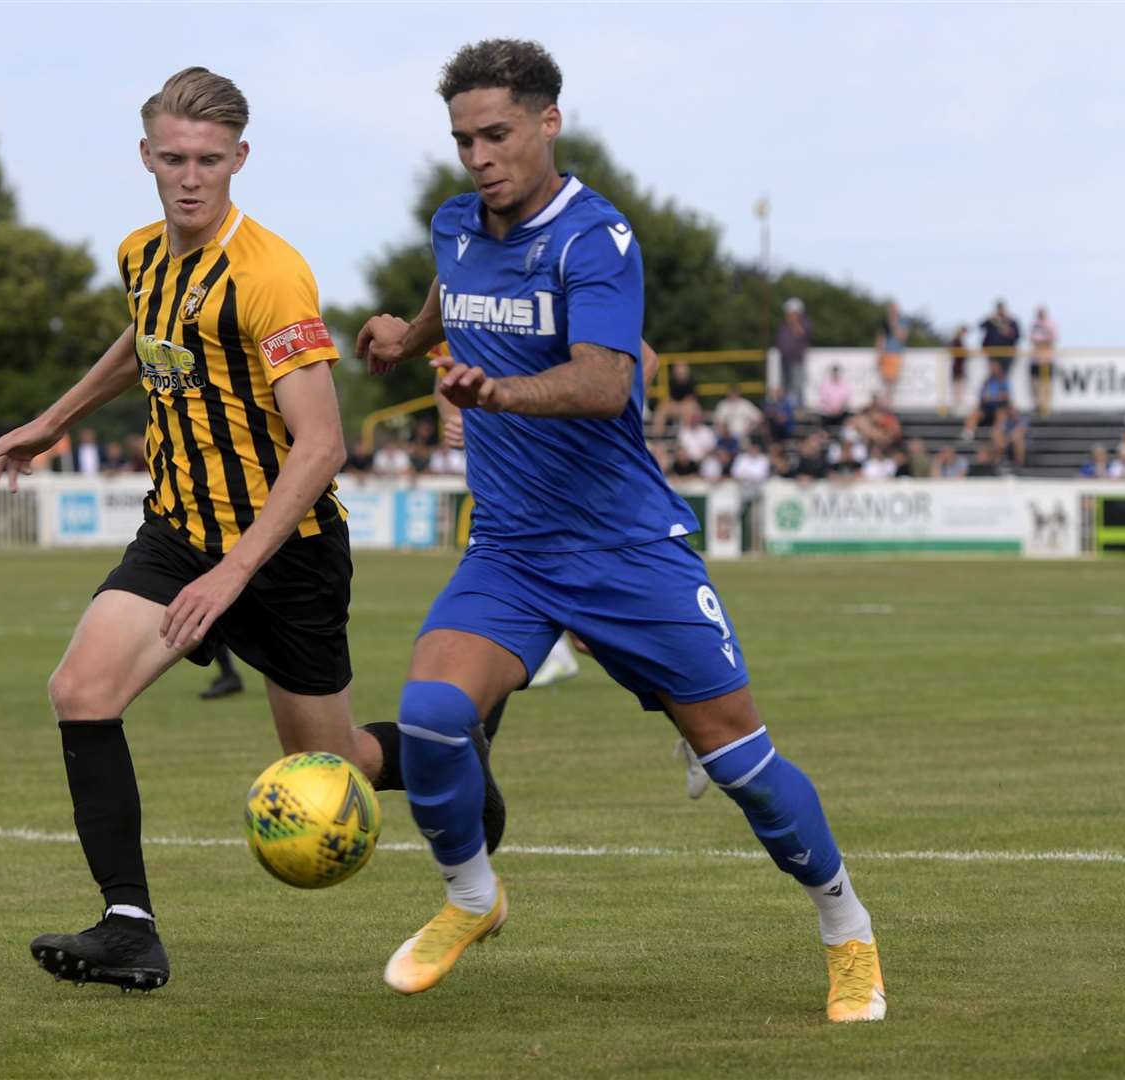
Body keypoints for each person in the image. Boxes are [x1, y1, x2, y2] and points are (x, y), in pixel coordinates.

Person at [355, 39, 884, 1021]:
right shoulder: (455, 226)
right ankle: (474, 899)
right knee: (430, 715)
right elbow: (454, 297)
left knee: (744, 769)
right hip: (511, 553)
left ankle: (845, 927)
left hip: (623, 550)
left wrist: (495, 388)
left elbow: (605, 385)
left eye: (497, 134)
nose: (478, 155)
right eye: (463, 138)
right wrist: (409, 337)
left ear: (549, 123)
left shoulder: (595, 239)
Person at [0, 67, 501, 995]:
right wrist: (57, 416)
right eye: (173, 158)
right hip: (176, 532)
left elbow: (323, 445)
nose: (189, 177)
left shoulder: (269, 274)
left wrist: (234, 575)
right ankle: (129, 927)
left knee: (329, 764)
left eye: (209, 161)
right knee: (81, 690)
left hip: (284, 551)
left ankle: (445, 756)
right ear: (146, 156)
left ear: (240, 160)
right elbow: (145, 340)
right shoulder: (142, 254)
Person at [776, 298, 812, 404]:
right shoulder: (784, 324)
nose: (787, 315)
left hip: (797, 359)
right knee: (785, 385)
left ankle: (799, 408)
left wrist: (794, 322)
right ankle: (786, 408)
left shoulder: (805, 323)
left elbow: (801, 334)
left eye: (790, 312)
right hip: (784, 359)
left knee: (797, 385)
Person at [873, 301, 908, 407]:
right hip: (885, 354)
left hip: (895, 354)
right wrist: (879, 354)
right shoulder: (883, 323)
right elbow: (880, 339)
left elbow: (902, 339)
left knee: (892, 381)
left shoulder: (902, 323)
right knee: (885, 381)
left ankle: (889, 403)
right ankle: (884, 403)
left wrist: (894, 326)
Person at [979, 300, 1021, 378]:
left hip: (1007, 354)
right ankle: (992, 389)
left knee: (1004, 376)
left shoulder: (1011, 321)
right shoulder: (991, 321)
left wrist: (1007, 330)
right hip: (993, 353)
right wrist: (991, 318)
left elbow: (1017, 336)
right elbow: (981, 326)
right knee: (994, 374)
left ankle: (1002, 389)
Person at [1029, 306, 1058, 414]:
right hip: (1035, 359)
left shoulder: (1050, 324)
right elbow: (1033, 339)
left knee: (1046, 384)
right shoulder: (1034, 325)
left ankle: (1046, 405)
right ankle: (1038, 404)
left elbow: (1051, 339)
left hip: (1047, 360)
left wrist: (1041, 341)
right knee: (1035, 383)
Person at [815, 365, 852, 430]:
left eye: (837, 373)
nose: (835, 375)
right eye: (834, 373)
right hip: (827, 413)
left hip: (841, 413)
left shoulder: (844, 385)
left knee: (847, 420)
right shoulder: (825, 385)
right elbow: (823, 399)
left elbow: (846, 399)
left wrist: (839, 408)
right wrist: (832, 409)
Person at [947, 324, 971, 415]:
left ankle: (958, 407)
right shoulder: (956, 341)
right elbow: (957, 353)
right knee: (958, 388)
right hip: (958, 368)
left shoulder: (958, 341)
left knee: (959, 388)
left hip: (959, 368)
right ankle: (957, 408)